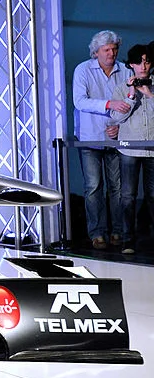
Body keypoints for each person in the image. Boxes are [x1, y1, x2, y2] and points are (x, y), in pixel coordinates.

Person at [72, 30, 129, 250]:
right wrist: (109, 104)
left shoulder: (124, 70)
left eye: (114, 49)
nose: (111, 53)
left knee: (116, 187)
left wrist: (119, 123)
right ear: (96, 52)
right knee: (93, 186)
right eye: (107, 50)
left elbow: (130, 101)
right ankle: (97, 233)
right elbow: (80, 101)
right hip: (89, 138)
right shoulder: (83, 70)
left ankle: (117, 231)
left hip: (116, 136)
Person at [111, 44, 154, 254]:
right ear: (131, 65)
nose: (143, 65)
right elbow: (117, 118)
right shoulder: (120, 87)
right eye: (139, 61)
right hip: (129, 149)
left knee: (153, 195)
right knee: (127, 195)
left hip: (152, 149)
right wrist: (131, 94)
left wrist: (148, 93)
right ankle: (128, 239)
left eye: (146, 61)